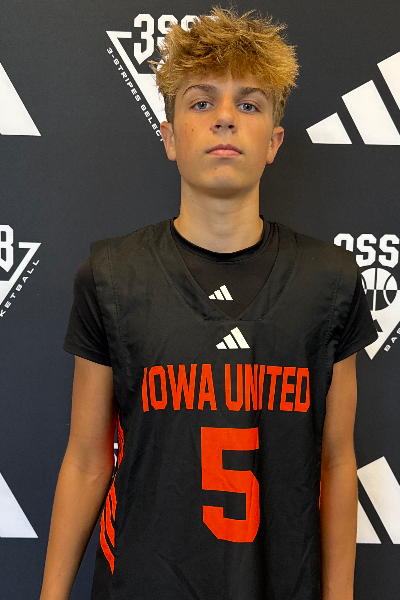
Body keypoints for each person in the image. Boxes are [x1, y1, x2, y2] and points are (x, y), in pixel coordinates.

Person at [39, 7, 378, 600]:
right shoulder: (112, 276)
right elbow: (88, 460)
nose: (225, 117)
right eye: (201, 102)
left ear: (273, 142)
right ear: (170, 137)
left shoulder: (330, 281)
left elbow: (336, 462)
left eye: (248, 104)